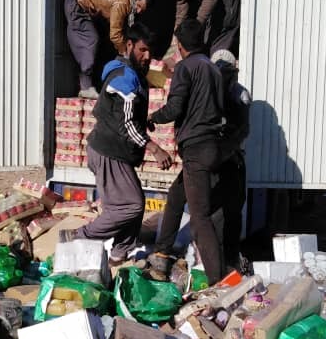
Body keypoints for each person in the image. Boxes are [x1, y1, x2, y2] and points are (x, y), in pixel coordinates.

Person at [74, 23, 173, 264]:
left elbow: (128, 117)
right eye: (142, 50)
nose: (147, 56)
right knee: (131, 205)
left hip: (114, 150)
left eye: (150, 52)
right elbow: (125, 124)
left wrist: (144, 121)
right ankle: (80, 237)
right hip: (109, 151)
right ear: (129, 46)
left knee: (130, 206)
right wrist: (155, 149)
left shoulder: (132, 73)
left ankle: (119, 255)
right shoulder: (124, 78)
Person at [147, 19, 226, 284]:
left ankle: (218, 281)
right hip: (212, 146)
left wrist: (152, 118)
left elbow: (175, 108)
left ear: (179, 46)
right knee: (176, 195)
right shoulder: (213, 69)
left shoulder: (185, 68)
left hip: (197, 147)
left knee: (200, 216)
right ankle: (162, 251)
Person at [64, 0, 150, 99]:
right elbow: (115, 35)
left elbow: (121, 30)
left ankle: (97, 83)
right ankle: (85, 88)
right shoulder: (122, 3)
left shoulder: (128, 1)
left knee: (104, 42)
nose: (139, 11)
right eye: (139, 6)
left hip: (84, 6)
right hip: (77, 4)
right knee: (91, 40)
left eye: (142, 10)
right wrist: (126, 54)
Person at [212, 49, 252, 271]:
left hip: (223, 159)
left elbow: (242, 129)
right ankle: (222, 261)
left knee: (227, 212)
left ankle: (226, 260)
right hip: (225, 159)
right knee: (223, 213)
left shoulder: (237, 94)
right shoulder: (236, 93)